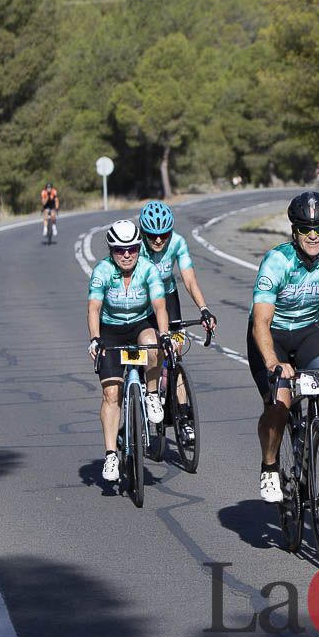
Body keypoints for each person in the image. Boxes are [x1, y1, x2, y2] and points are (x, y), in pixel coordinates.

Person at [248, 191, 319, 504]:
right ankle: (270, 465)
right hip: (270, 335)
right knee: (279, 403)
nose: (312, 236)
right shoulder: (277, 261)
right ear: (294, 231)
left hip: (308, 331)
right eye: (304, 229)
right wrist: (273, 361)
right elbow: (260, 321)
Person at [87, 219, 169, 483]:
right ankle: (111, 454)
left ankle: (152, 394)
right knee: (111, 394)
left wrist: (165, 335)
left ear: (138, 248)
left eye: (132, 249)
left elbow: (159, 305)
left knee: (153, 344)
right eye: (120, 250)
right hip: (110, 331)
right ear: (111, 250)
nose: (126, 255)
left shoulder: (148, 269)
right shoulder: (102, 270)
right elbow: (94, 308)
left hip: (139, 325)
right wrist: (95, 339)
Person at [138, 201, 217, 443]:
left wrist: (203, 309)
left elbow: (189, 280)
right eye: (153, 235)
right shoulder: (137, 248)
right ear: (143, 232)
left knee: (175, 355)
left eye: (164, 235)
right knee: (145, 352)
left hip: (169, 299)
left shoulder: (178, 243)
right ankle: (139, 400)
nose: (159, 240)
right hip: (142, 302)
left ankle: (183, 418)